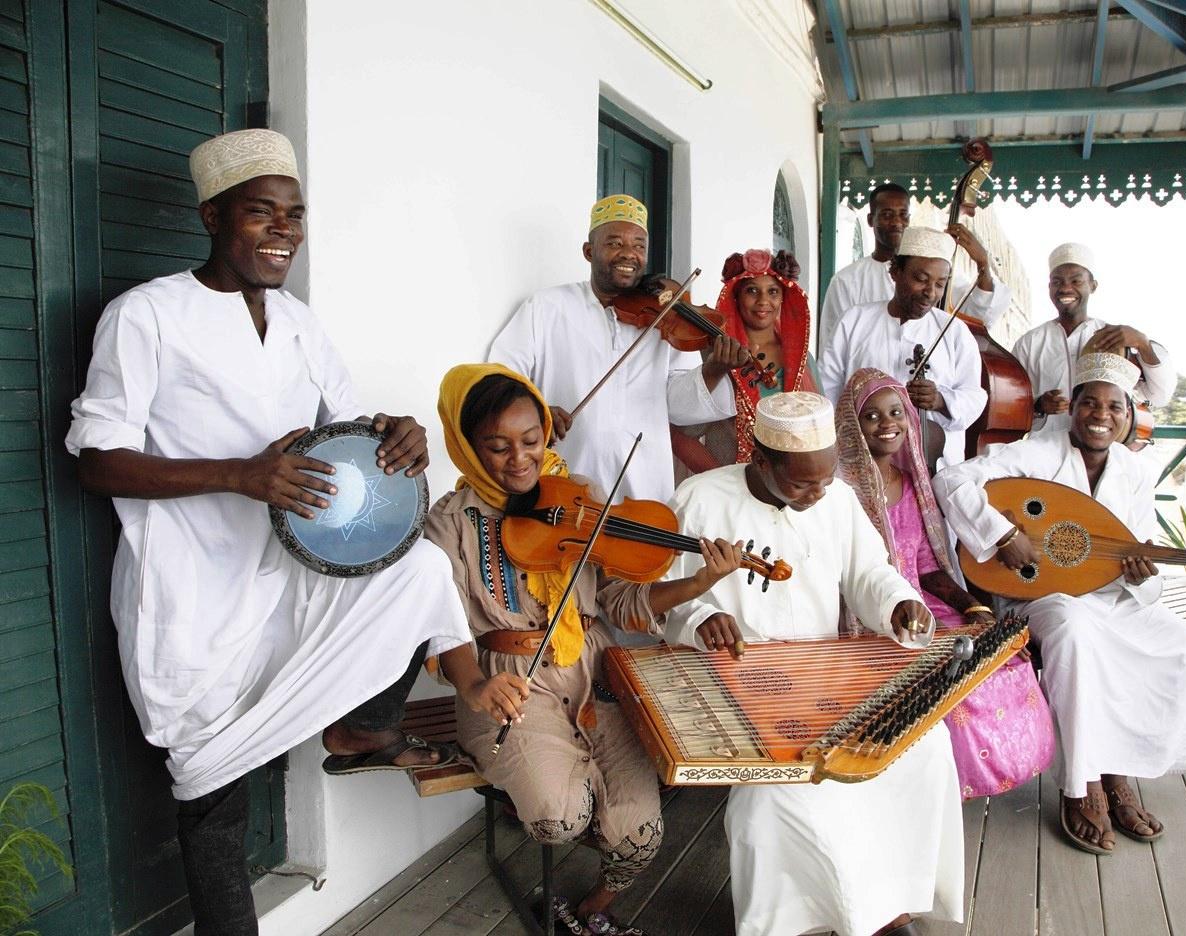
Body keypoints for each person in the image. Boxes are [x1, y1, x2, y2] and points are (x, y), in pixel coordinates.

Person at [64, 129, 474, 935]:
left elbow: (346, 429)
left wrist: (400, 435)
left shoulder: (296, 322)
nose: (284, 229)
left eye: (294, 214)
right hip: (190, 589)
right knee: (214, 792)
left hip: (291, 578)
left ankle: (365, 723)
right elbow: (97, 462)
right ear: (213, 216)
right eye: (262, 213)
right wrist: (239, 474)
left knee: (420, 572)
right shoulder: (146, 314)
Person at [424, 363, 749, 935]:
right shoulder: (450, 523)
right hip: (507, 680)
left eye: (532, 440)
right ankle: (534, 788)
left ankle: (594, 905)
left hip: (595, 669)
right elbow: (444, 626)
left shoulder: (577, 498)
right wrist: (475, 685)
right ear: (467, 446)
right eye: (497, 447)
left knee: (640, 830)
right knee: (559, 817)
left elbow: (624, 600)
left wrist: (698, 582)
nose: (520, 459)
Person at [662, 392, 963, 936]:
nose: (817, 494)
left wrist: (898, 602)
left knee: (923, 748)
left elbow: (869, 570)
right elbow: (667, 594)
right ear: (760, 461)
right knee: (776, 802)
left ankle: (887, 906)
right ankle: (793, 924)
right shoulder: (700, 500)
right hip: (742, 677)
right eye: (802, 484)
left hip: (827, 670)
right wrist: (701, 617)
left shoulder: (836, 498)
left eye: (824, 480)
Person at [934, 352, 1186, 856]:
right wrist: (1001, 535)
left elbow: (1137, 550)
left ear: (1129, 415)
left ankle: (1117, 770)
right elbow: (950, 480)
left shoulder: (1134, 472)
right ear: (1074, 407)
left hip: (1112, 597)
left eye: (1114, 407)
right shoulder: (1037, 451)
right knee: (1073, 630)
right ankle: (1082, 784)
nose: (1101, 416)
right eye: (1091, 403)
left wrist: (1138, 577)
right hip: (1041, 595)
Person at [835, 369, 1054, 799]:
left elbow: (928, 567)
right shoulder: (838, 490)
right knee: (938, 681)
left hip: (929, 605)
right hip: (869, 613)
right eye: (872, 416)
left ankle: (970, 783)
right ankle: (927, 789)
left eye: (896, 412)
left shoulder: (915, 485)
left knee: (1000, 657)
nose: (887, 424)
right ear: (852, 426)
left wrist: (974, 607)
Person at [489, 194, 746, 501]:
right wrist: (537, 410)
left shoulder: (667, 319)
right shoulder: (545, 307)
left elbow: (678, 407)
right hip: (564, 475)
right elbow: (501, 377)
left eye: (639, 245)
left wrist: (713, 370)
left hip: (644, 481)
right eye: (614, 243)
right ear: (589, 251)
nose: (629, 254)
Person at [818, 226, 986, 468]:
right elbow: (829, 387)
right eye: (921, 279)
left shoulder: (954, 330)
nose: (930, 292)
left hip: (934, 466)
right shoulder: (855, 320)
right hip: (862, 461)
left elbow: (974, 396)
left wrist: (940, 400)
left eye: (940, 284)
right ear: (895, 271)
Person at [669, 247, 821, 473]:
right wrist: (722, 481)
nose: (763, 301)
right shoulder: (714, 355)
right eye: (752, 291)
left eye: (773, 292)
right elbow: (682, 432)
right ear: (736, 297)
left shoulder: (803, 359)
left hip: (792, 484)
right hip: (730, 487)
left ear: (783, 298)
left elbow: (820, 425)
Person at [817, 182, 1010, 354]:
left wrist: (983, 263)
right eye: (887, 215)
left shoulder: (934, 273)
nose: (896, 223)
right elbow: (832, 345)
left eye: (903, 215)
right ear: (870, 220)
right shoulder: (846, 280)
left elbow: (978, 313)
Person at [1013, 242, 1176, 437]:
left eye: (1076, 281)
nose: (1065, 288)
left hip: (1104, 454)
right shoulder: (1030, 343)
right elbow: (1010, 404)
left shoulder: (1114, 338)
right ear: (1049, 287)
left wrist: (1142, 343)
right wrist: (1038, 405)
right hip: (1045, 454)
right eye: (1057, 282)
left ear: (1093, 286)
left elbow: (1159, 396)